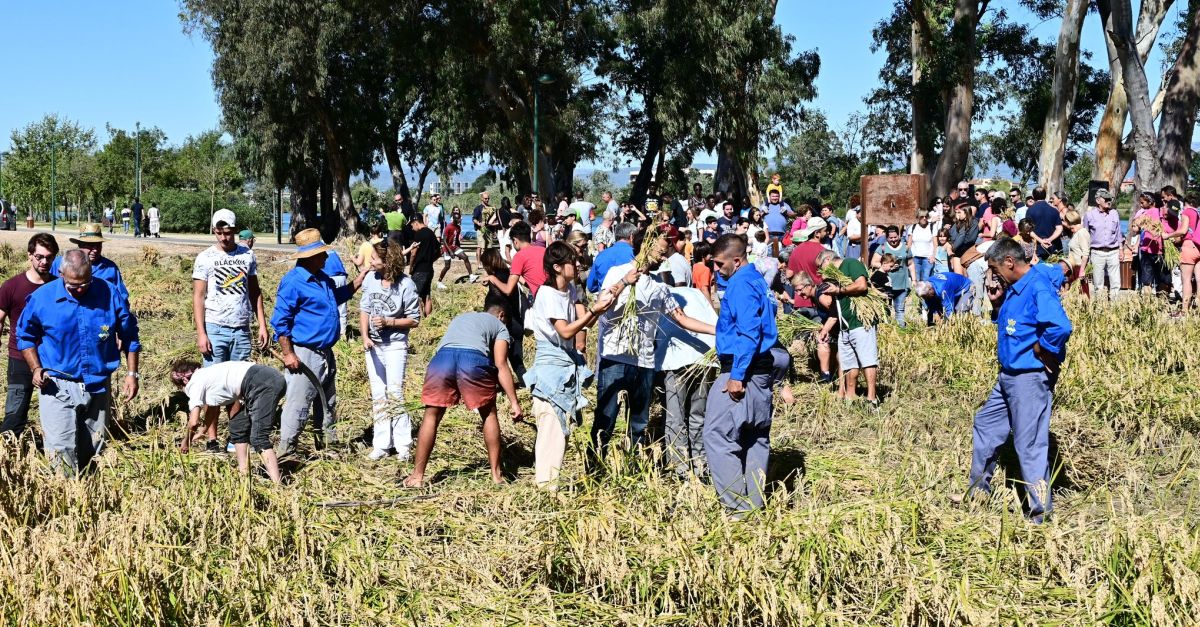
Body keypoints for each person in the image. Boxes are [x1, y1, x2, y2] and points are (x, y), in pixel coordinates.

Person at [965, 238, 1072, 524]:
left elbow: (1060, 326)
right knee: (986, 424)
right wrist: (996, 304)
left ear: (1010, 262)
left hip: (1028, 379)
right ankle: (978, 493)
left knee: (1029, 445)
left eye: (994, 268)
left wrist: (1042, 348)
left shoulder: (1036, 287)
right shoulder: (1020, 283)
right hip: (1007, 377)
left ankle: (1040, 515)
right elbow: (1056, 272)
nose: (992, 274)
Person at [590, 229, 714, 470]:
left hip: (644, 361)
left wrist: (719, 330)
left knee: (638, 422)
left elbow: (682, 319)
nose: (663, 256)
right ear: (645, 245)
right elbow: (602, 305)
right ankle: (595, 468)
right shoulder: (617, 273)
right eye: (661, 250)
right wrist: (624, 282)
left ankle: (633, 468)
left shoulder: (659, 287)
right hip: (616, 358)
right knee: (606, 419)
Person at [16, 249, 140, 475]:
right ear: (61, 274)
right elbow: (25, 336)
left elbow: (130, 335)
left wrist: (132, 374)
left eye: (86, 283)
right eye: (74, 286)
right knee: (60, 451)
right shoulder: (42, 299)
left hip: (98, 384)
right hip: (57, 385)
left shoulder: (109, 293)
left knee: (94, 448)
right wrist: (35, 368)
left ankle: (88, 491)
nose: (81, 289)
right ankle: (65, 492)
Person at [403, 296, 524, 486]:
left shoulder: (461, 317)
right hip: (472, 360)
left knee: (431, 416)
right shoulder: (500, 327)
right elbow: (501, 364)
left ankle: (417, 476)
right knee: (488, 413)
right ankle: (496, 475)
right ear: (501, 315)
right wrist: (514, 402)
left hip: (442, 359)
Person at [271, 228, 369, 456]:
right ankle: (286, 450)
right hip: (305, 353)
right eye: (322, 254)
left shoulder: (322, 278)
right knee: (299, 402)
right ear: (310, 257)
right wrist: (288, 353)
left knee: (327, 401)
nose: (326, 257)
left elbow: (337, 297)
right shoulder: (293, 282)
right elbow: (280, 321)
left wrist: (359, 280)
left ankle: (326, 445)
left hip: (325, 352)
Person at [524, 242, 616, 487]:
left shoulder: (570, 290)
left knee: (560, 431)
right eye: (571, 261)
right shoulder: (547, 294)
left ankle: (549, 486)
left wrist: (601, 306)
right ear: (557, 267)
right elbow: (565, 331)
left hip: (564, 364)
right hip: (551, 367)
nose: (577, 264)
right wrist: (594, 310)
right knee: (551, 431)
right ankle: (546, 489)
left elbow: (585, 323)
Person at [702, 234, 778, 516]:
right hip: (761, 370)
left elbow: (749, 332)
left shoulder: (740, 284)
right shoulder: (758, 280)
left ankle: (737, 509)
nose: (716, 269)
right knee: (754, 437)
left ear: (736, 260)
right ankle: (754, 506)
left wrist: (737, 375)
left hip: (741, 369)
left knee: (717, 435)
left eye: (719, 263)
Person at [192, 209, 269, 453]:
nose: (224, 238)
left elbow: (255, 292)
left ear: (234, 231)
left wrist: (262, 324)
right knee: (214, 386)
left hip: (241, 328)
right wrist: (201, 332)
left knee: (238, 387)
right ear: (214, 231)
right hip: (215, 328)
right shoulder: (205, 258)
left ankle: (236, 438)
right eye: (219, 233)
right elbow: (198, 296)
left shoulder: (247, 255)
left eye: (227, 233)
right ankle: (212, 439)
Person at [172, 359, 286, 483]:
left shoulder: (194, 383)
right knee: (238, 426)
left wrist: (186, 442)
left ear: (184, 381)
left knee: (258, 437)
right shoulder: (206, 375)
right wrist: (201, 432)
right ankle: (244, 477)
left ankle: (277, 484)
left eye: (180, 387)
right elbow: (211, 410)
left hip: (262, 384)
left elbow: (193, 421)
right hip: (263, 379)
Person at [360, 241, 421, 461]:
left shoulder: (406, 284)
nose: (370, 261)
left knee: (395, 393)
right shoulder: (370, 279)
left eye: (374, 258)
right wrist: (365, 336)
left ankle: (403, 444)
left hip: (395, 345)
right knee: (379, 394)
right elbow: (364, 309)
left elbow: (414, 319)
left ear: (388, 261)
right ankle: (381, 444)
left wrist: (389, 322)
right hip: (374, 345)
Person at [0, 233, 59, 436]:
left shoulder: (58, 287)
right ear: (29, 255)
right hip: (19, 358)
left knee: (57, 414)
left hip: (52, 359)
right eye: (39, 257)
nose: (44, 262)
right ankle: (8, 448)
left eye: (49, 257)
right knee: (15, 414)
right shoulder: (11, 286)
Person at [817, 250, 878, 405]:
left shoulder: (850, 263)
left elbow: (861, 285)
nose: (820, 271)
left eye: (820, 266)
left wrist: (839, 290)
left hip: (860, 322)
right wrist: (825, 330)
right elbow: (834, 311)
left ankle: (872, 399)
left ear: (828, 260)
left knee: (867, 360)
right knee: (849, 363)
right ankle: (851, 396)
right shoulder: (835, 278)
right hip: (845, 327)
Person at [50, 223, 129, 303]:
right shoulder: (60, 263)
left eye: (98, 245)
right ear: (80, 245)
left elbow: (122, 297)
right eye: (90, 245)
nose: (95, 250)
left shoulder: (110, 268)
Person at [872, 225, 917, 326]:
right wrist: (888, 267)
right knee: (885, 309)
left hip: (901, 285)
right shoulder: (882, 247)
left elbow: (911, 264)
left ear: (899, 236)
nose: (893, 240)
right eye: (890, 238)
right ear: (887, 237)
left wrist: (914, 280)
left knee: (900, 309)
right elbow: (873, 262)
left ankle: (900, 330)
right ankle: (886, 329)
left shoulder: (905, 247)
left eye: (895, 237)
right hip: (885, 285)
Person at [1083, 189, 1123, 300]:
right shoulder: (1089, 215)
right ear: (1098, 200)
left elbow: (1119, 233)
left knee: (1115, 282)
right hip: (1097, 253)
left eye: (1109, 199)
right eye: (1105, 199)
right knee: (1098, 283)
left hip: (1113, 252)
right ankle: (1100, 306)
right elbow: (1085, 235)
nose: (1108, 201)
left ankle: (1115, 305)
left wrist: (1121, 249)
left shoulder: (1114, 213)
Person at [405, 214, 440, 318]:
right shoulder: (431, 233)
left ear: (416, 223)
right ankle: (428, 318)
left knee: (414, 295)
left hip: (419, 270)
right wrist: (431, 260)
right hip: (429, 269)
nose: (412, 228)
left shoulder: (419, 234)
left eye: (412, 225)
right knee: (427, 296)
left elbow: (413, 253)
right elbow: (439, 251)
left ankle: (419, 319)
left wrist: (411, 266)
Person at [587, 221, 636, 293]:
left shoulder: (601, 255)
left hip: (606, 297)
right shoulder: (635, 255)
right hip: (631, 296)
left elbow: (591, 286)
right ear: (631, 237)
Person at [437, 208, 477, 289]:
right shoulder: (448, 227)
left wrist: (459, 250)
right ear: (455, 219)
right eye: (459, 218)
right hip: (447, 249)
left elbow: (457, 240)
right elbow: (444, 241)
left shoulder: (458, 227)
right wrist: (450, 252)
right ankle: (439, 282)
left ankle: (471, 276)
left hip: (455, 247)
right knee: (447, 266)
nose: (460, 219)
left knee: (465, 257)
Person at [1026, 187, 1062, 259]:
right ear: (1045, 195)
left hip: (1037, 248)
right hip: (1053, 247)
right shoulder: (1054, 210)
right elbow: (1059, 228)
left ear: (1033, 196)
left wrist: (1041, 241)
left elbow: (1029, 230)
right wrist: (1049, 240)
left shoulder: (1030, 211)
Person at [761, 189, 791, 254]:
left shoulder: (784, 205)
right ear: (769, 197)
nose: (775, 198)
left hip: (782, 235)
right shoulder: (764, 205)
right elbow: (756, 216)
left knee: (783, 255)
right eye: (773, 196)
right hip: (769, 235)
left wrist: (786, 212)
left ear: (779, 197)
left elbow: (793, 215)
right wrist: (763, 212)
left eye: (776, 196)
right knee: (771, 255)